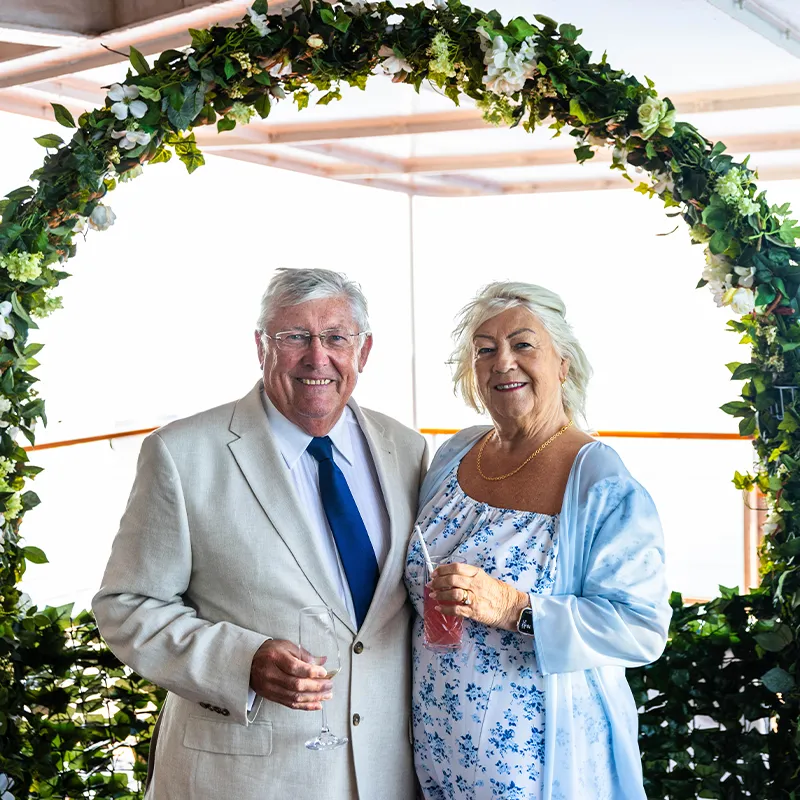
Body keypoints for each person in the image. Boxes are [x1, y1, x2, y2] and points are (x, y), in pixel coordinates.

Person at [93, 268, 427, 800]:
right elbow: (126, 605)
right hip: (244, 781)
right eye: (294, 337)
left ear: (363, 351)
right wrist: (241, 662)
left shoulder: (407, 449)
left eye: (336, 337)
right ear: (260, 347)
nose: (317, 357)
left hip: (386, 775)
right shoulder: (182, 454)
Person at [405, 281, 671, 800]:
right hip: (436, 747)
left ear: (563, 364)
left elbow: (641, 628)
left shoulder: (600, 481)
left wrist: (514, 608)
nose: (502, 362)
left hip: (539, 762)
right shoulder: (455, 453)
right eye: (485, 349)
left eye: (523, 344)